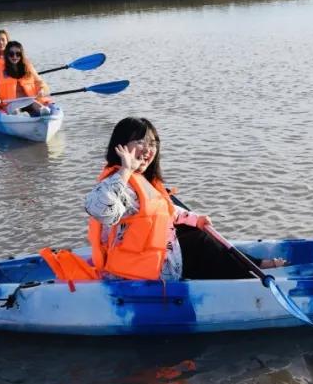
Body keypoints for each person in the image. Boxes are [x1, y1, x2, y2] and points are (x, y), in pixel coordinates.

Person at [84, 117, 284, 281]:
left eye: (152, 143)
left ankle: (251, 265)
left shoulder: (140, 180)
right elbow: (100, 210)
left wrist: (195, 219)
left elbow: (166, 210)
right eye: (140, 142)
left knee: (193, 231)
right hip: (137, 275)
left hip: (149, 262)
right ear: (120, 147)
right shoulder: (121, 182)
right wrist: (126, 169)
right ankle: (252, 274)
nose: (147, 149)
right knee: (200, 242)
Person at [0, 40, 53, 116]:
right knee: (16, 112)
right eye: (11, 54)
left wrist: (41, 90)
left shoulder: (28, 67)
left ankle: (44, 117)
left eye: (18, 54)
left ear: (21, 55)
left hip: (29, 100)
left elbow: (40, 82)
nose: (15, 57)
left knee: (42, 109)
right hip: (11, 103)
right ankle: (21, 118)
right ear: (6, 55)